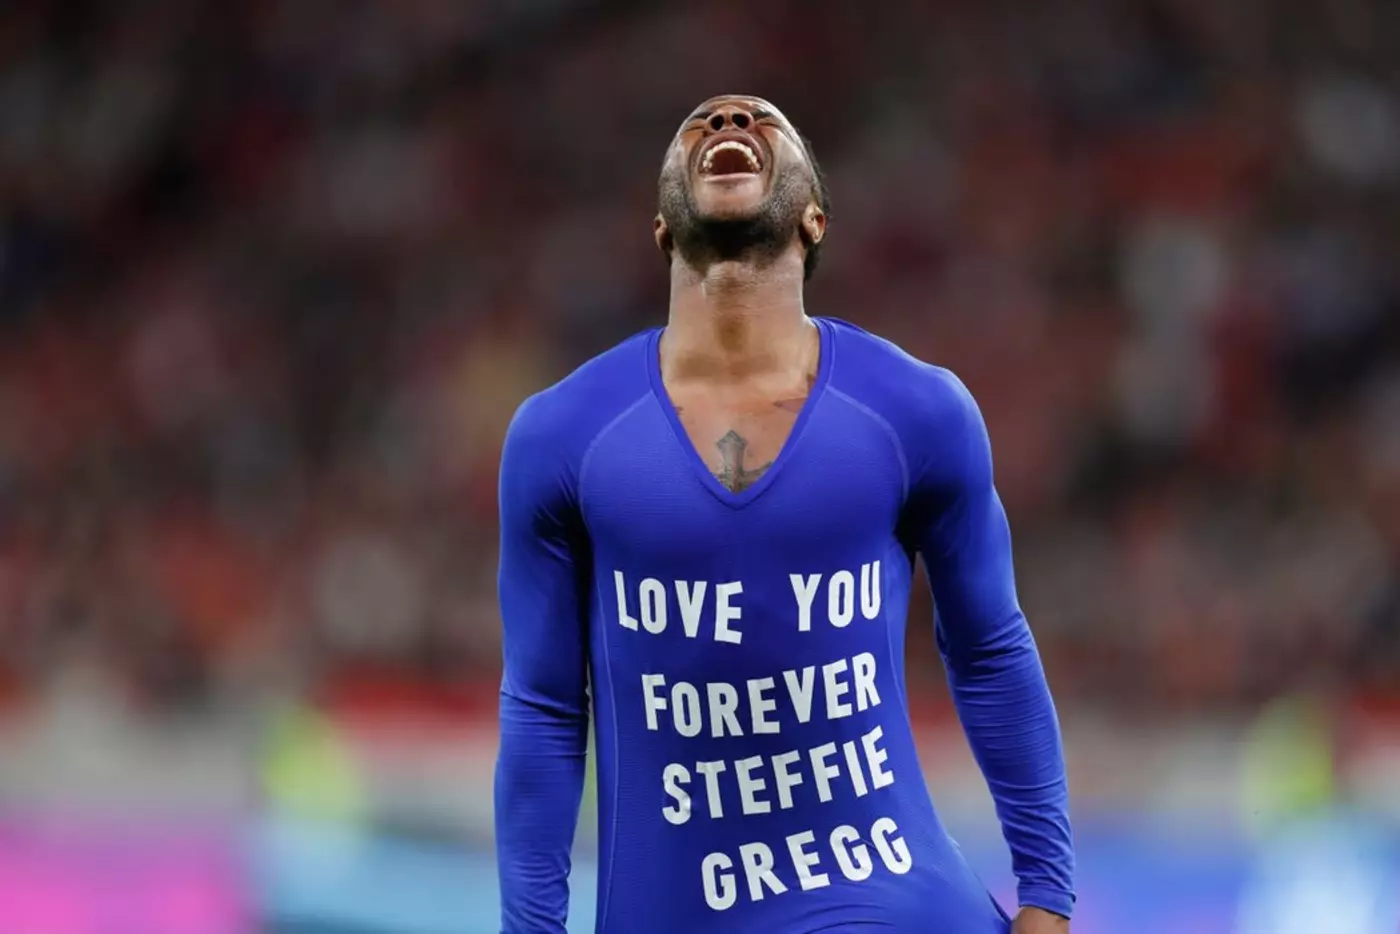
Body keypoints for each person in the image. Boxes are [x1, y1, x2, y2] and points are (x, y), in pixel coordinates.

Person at [494, 94, 1075, 934]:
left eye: (763, 122)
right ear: (661, 228)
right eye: (699, 125)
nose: (728, 122)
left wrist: (1048, 898)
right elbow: (545, 709)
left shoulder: (918, 411)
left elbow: (990, 652)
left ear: (813, 218)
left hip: (896, 910)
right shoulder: (562, 435)